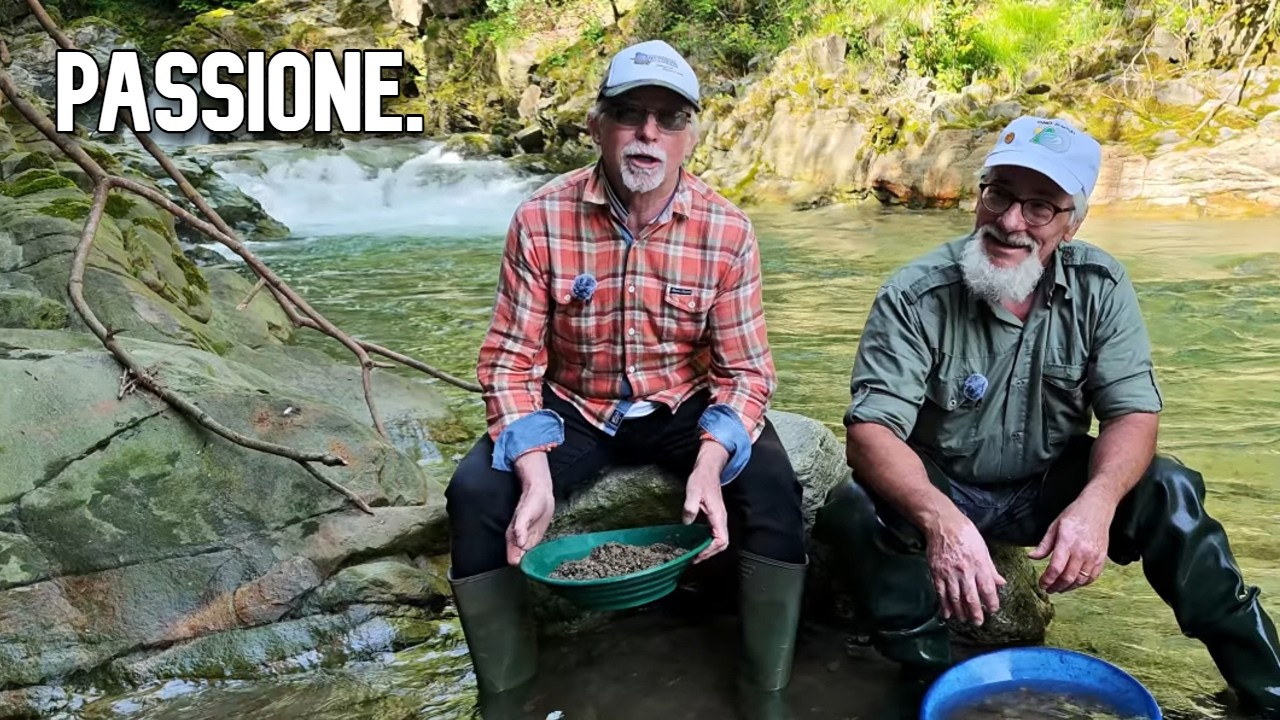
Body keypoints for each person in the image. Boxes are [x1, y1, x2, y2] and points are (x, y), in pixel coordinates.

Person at [813, 115, 1280, 717]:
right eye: (999, 194)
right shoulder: (914, 294)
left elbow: (1133, 413)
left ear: (1072, 222)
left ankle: (1266, 685)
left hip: (1048, 484)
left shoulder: (1101, 285)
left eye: (1040, 206)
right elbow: (870, 432)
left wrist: (1098, 504)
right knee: (854, 504)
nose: (1011, 221)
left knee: (1169, 486)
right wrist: (943, 522)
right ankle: (926, 674)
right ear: (979, 195)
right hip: (945, 479)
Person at [443, 39, 809, 720]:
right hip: (575, 405)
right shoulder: (541, 219)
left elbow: (745, 373)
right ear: (596, 125)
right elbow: (511, 361)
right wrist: (533, 472)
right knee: (473, 495)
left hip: (683, 405)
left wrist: (711, 463)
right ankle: (507, 695)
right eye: (629, 114)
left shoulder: (728, 231)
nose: (648, 133)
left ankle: (767, 692)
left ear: (691, 136)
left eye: (669, 119)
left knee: (775, 491)